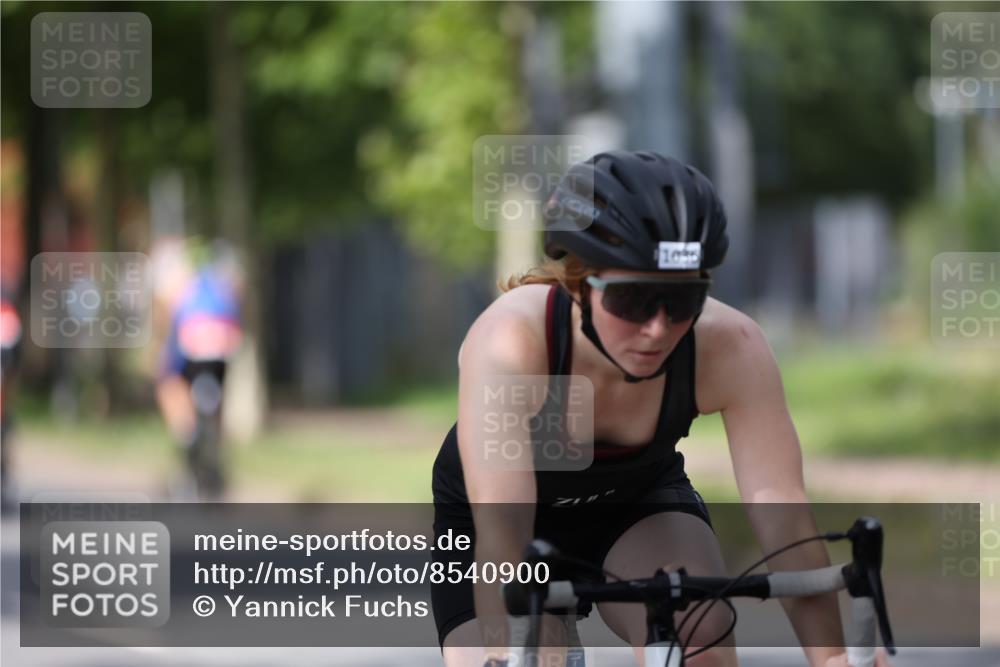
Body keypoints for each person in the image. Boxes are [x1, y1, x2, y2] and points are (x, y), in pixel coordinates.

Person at [430, 151, 891, 667]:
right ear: (580, 283)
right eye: (634, 300)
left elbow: (783, 519)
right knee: (527, 656)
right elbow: (504, 532)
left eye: (682, 300)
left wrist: (828, 659)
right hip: (498, 524)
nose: (657, 327)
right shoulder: (513, 343)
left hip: (632, 505)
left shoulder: (730, 346)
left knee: (699, 633)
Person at [153, 238, 243, 498]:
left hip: (191, 338)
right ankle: (216, 445)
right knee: (217, 398)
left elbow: (169, 320)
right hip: (224, 339)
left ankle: (186, 435)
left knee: (169, 384)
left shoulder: (176, 275)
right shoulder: (220, 275)